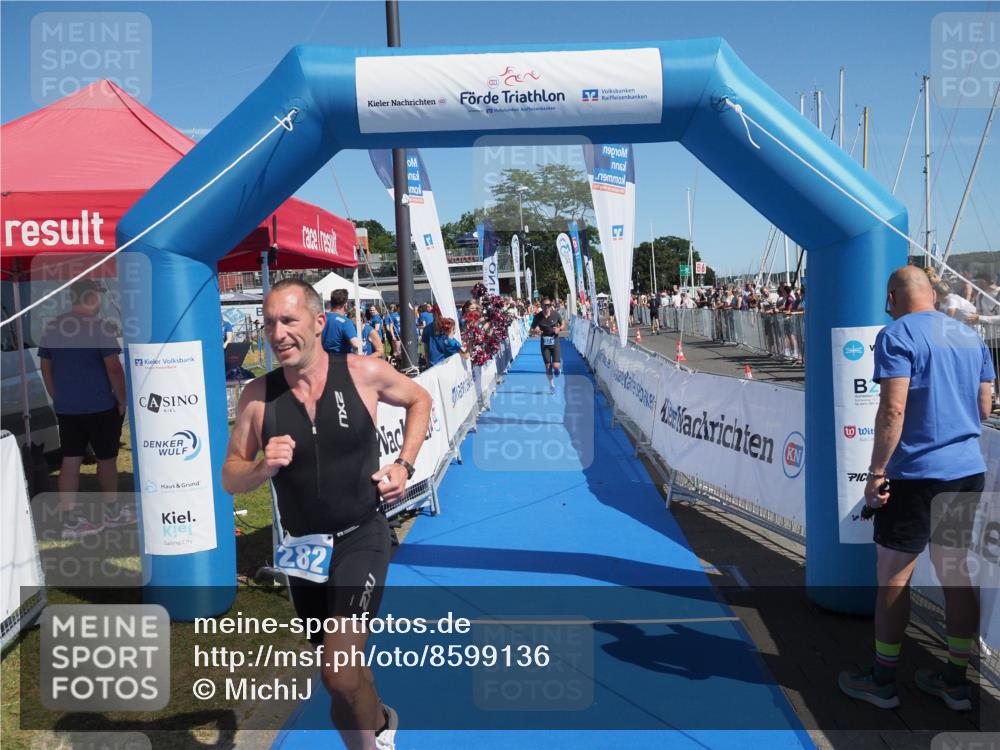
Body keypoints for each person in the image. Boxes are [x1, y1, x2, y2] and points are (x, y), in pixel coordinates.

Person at [222, 278, 432, 750]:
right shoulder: (258, 398)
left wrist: (404, 463)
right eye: (270, 322)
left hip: (362, 536)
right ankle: (379, 724)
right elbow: (230, 476)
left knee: (337, 673)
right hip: (303, 553)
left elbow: (421, 398)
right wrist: (261, 467)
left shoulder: (362, 372)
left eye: (289, 321)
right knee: (344, 669)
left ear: (319, 323)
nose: (278, 333)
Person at [838, 266, 994, 712]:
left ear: (893, 297)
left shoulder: (897, 335)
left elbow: (892, 409)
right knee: (956, 575)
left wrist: (875, 472)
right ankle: (955, 682)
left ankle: (883, 681)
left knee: (893, 575)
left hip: (917, 475)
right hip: (966, 470)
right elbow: (985, 406)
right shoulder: (969, 336)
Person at [38, 279, 133, 538]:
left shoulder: (52, 327)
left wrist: (57, 395)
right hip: (100, 405)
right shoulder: (99, 326)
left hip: (68, 407)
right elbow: (114, 368)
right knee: (106, 459)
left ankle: (70, 519)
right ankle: (112, 513)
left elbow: (46, 368)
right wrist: (122, 400)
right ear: (92, 297)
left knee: (70, 459)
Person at [530, 297, 563, 393]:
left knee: (556, 365)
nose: (547, 307)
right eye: (545, 306)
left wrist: (559, 329)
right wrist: (535, 331)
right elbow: (531, 330)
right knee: (548, 366)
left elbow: (563, 323)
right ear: (541, 306)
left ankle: (557, 370)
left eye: (548, 305)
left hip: (555, 342)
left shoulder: (555, 314)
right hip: (545, 344)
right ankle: (552, 384)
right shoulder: (537, 316)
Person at [322, 290, 362, 355]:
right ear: (345, 304)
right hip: (341, 360)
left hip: (323, 360)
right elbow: (356, 345)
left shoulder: (321, 319)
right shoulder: (345, 322)